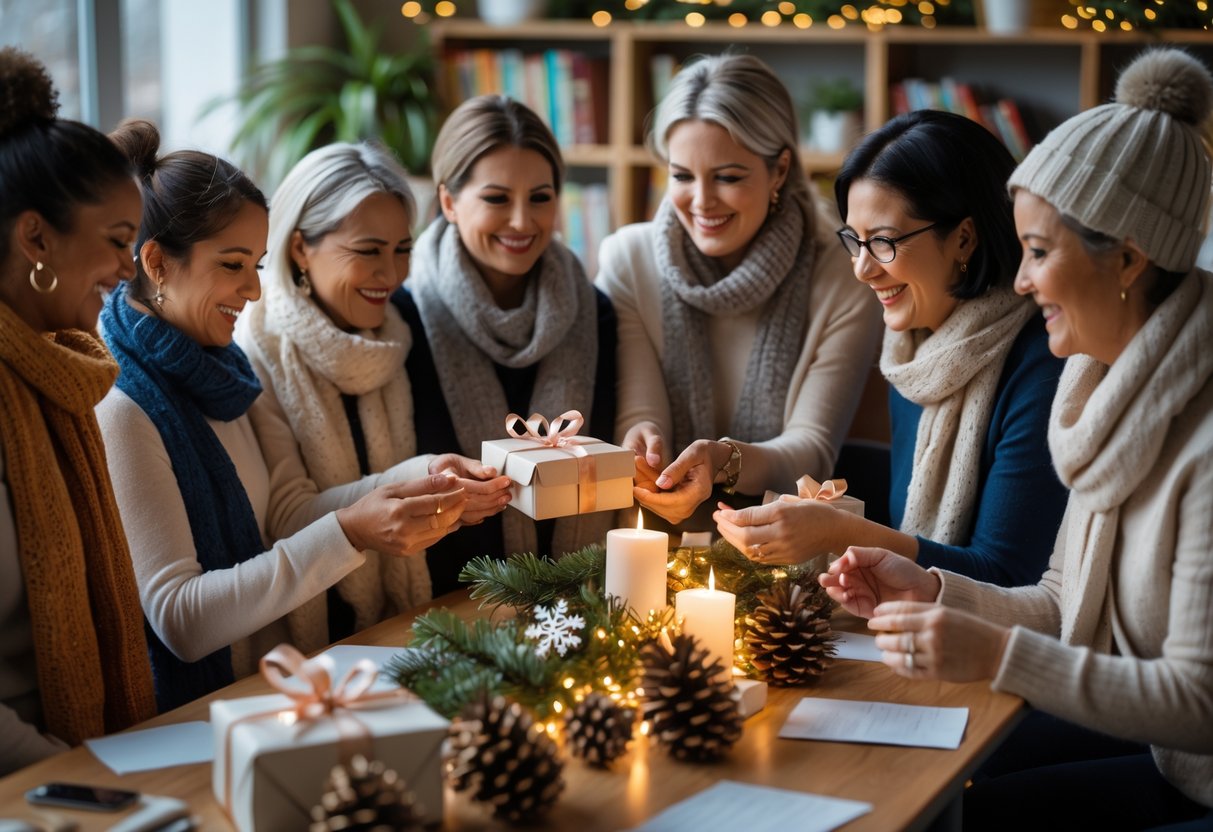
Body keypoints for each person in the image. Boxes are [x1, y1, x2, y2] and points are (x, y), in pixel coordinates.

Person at [820, 49, 1213, 828]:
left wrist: (995, 657)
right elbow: (1061, 600)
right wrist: (927, 587)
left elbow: (1198, 703)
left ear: (1127, 260)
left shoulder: (1198, 443)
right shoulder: (1099, 394)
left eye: (1037, 252)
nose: (1022, 281)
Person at [97, 121, 468, 712]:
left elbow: (290, 511)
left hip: (270, 694)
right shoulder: (122, 406)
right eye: (232, 264)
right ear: (157, 263)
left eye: (257, 266)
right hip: (197, 715)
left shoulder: (228, 369)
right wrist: (350, 533)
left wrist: (421, 477)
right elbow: (180, 620)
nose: (251, 290)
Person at [715, 109, 1067, 586]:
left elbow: (1007, 577)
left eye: (882, 242)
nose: (862, 268)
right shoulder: (911, 350)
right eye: (854, 241)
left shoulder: (1043, 365)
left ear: (964, 238)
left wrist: (843, 534)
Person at [237, 142, 511, 643]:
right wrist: (420, 478)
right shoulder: (255, 350)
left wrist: (438, 483)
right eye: (367, 252)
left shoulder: (402, 332)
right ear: (300, 247)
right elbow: (287, 516)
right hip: (301, 644)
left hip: (401, 628)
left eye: (402, 250)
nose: (391, 276)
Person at [595, 54, 883, 530]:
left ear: (779, 170)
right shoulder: (628, 259)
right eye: (682, 176)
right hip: (645, 541)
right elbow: (642, 409)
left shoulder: (840, 274)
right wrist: (641, 443)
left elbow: (812, 450)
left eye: (727, 177)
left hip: (781, 550)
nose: (702, 201)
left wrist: (725, 460)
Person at [0, 48, 155, 774]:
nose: (129, 271)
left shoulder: (57, 372)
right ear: (35, 238)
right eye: (119, 243)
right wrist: (75, 775)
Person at [393, 95, 617, 596]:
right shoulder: (403, 316)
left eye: (540, 197)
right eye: (496, 199)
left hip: (584, 603)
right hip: (441, 612)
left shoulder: (596, 312)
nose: (521, 221)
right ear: (449, 201)